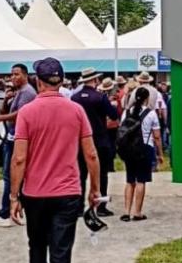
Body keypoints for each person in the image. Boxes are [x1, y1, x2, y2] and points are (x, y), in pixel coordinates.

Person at [9, 57, 100, 263]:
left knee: (37, 246)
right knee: (61, 252)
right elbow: (91, 154)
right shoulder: (76, 111)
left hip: (35, 192)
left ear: (37, 81)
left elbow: (20, 157)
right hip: (68, 191)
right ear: (60, 81)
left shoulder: (27, 112)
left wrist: (14, 195)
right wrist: (95, 189)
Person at [0, 64, 37, 228]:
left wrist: (1, 118)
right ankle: (14, 209)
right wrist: (6, 101)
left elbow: (21, 114)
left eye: (16, 74)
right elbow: (10, 110)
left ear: (25, 75)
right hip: (12, 136)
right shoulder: (19, 92)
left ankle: (5, 212)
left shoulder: (28, 92)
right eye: (11, 74)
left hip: (17, 138)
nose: (13, 77)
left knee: (10, 175)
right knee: (12, 175)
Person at [70, 68, 119, 216]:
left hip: (80, 141)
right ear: (95, 80)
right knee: (101, 174)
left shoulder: (75, 98)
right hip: (99, 139)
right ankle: (101, 206)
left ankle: (78, 207)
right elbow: (114, 115)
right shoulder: (100, 97)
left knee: (81, 174)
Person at [119, 86, 163, 222]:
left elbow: (122, 130)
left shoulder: (126, 112)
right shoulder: (151, 114)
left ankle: (126, 211)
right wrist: (160, 153)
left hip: (129, 149)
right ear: (147, 98)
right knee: (141, 180)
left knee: (130, 180)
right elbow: (157, 136)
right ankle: (137, 212)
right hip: (145, 148)